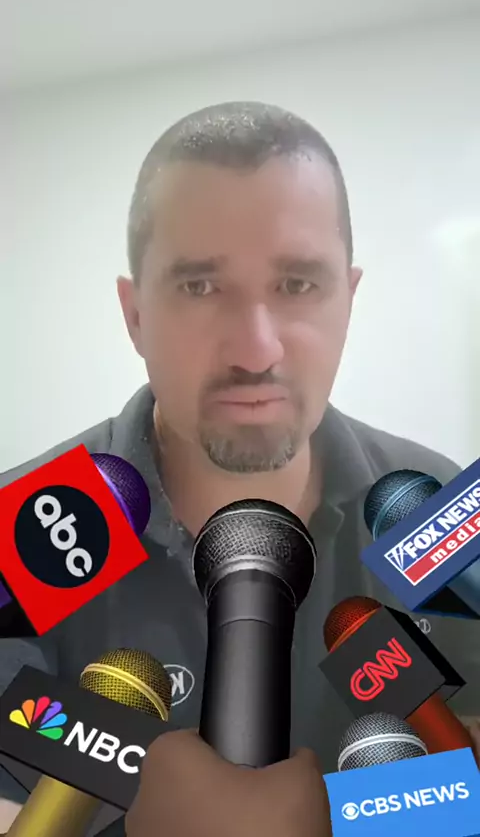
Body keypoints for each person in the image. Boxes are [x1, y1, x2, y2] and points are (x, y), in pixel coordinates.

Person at [0, 101, 479, 835]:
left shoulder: (436, 506)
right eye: (200, 287)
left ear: (348, 301)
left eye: (297, 285)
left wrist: (337, 818)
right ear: (135, 316)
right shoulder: (28, 525)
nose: (256, 349)